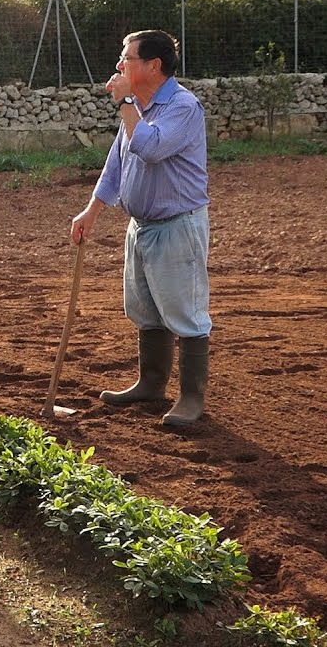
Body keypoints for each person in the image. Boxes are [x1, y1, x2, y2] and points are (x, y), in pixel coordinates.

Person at [69, 29, 211, 427]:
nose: (119, 66)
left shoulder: (183, 106)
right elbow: (116, 165)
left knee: (185, 313)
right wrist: (91, 212)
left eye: (127, 59)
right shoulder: (139, 108)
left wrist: (127, 102)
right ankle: (151, 383)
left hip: (178, 226)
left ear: (153, 66)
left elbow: (148, 148)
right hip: (142, 226)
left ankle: (190, 398)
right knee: (145, 310)